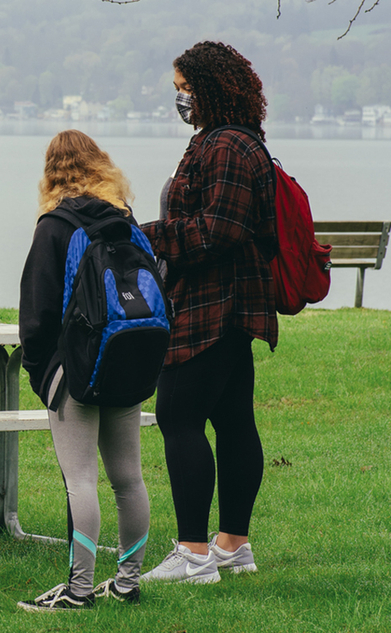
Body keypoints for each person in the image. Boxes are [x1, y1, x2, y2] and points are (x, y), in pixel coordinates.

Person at [139, 41, 277, 584]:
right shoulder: (233, 143)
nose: (181, 100)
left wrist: (146, 234)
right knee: (234, 420)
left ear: (211, 87)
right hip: (229, 303)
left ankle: (194, 553)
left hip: (214, 304)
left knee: (178, 415)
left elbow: (219, 232)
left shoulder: (226, 148)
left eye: (185, 89)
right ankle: (232, 545)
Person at [17, 130, 150, 611]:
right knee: (129, 479)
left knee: (82, 480)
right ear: (100, 165)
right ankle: (128, 582)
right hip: (127, 360)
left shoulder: (55, 226)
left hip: (74, 372)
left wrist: (42, 374)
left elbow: (36, 313)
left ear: (52, 171)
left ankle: (78, 590)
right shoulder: (124, 220)